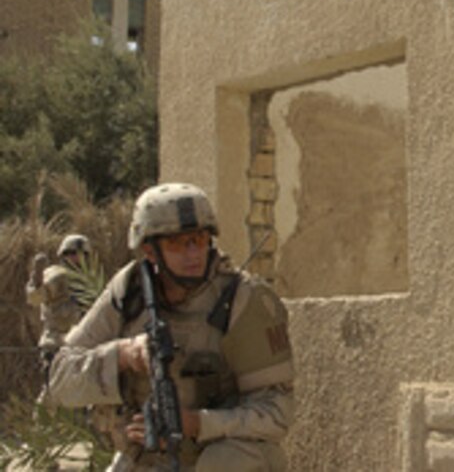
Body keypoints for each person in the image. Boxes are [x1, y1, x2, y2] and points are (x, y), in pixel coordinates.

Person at [49, 182, 295, 471]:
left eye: (200, 240)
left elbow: (278, 412)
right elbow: (61, 380)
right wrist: (124, 355)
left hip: (219, 457)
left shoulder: (241, 299)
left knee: (228, 461)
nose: (192, 254)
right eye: (176, 243)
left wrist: (197, 423)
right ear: (149, 251)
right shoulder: (129, 291)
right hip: (148, 458)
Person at [26, 233, 93, 398]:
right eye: (70, 254)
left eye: (79, 254)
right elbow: (35, 298)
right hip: (56, 346)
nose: (75, 258)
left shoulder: (90, 280)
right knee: (52, 397)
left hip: (83, 348)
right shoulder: (57, 275)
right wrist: (36, 280)